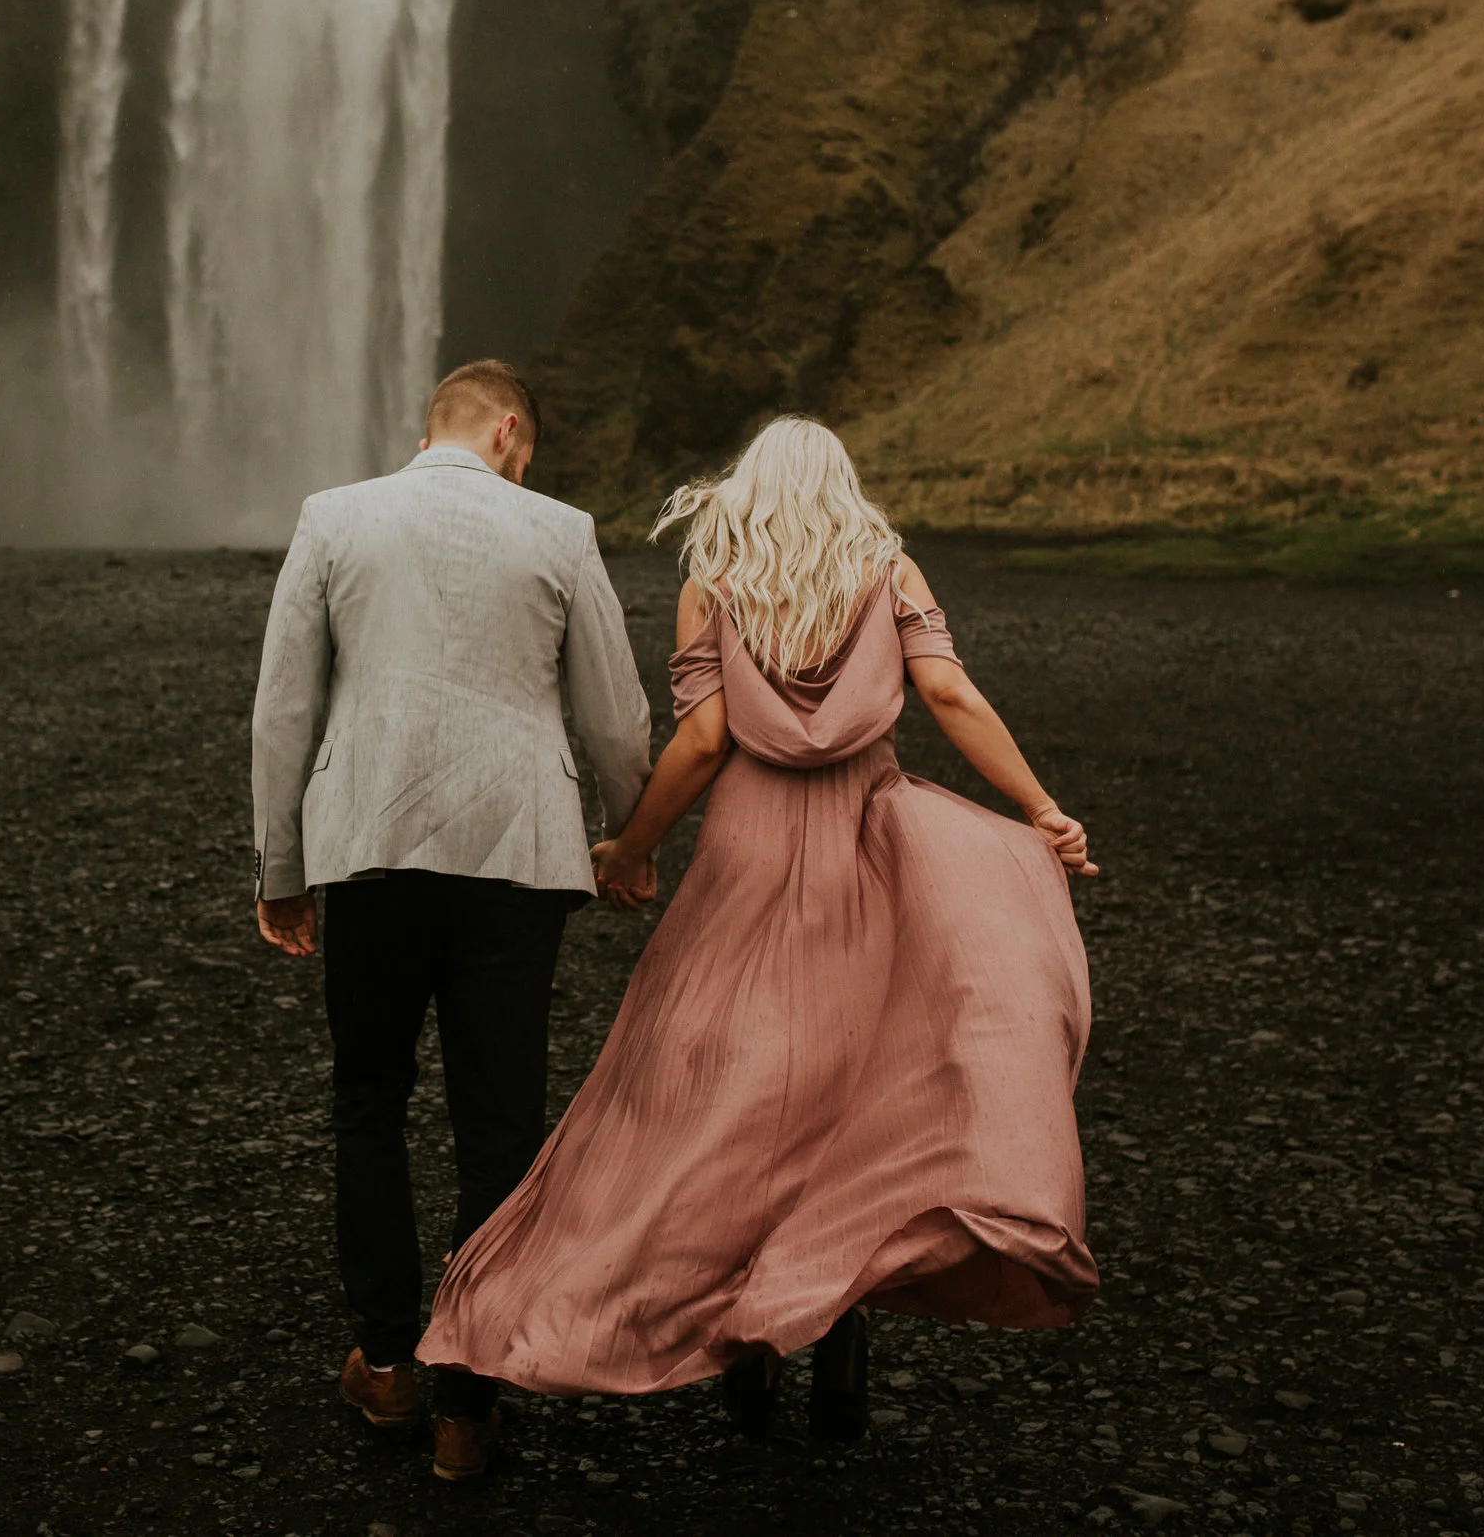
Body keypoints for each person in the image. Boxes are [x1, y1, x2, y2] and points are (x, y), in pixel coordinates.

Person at [419, 415, 1100, 1443]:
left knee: (724, 1095)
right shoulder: (885, 566)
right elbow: (948, 691)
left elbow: (702, 738)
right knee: (855, 1086)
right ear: (841, 489)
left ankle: (735, 1329)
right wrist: (1041, 807)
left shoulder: (717, 578)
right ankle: (832, 1325)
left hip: (748, 851)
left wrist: (634, 844)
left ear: (746, 489)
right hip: (869, 846)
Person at [250, 359, 653, 1481]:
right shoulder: (561, 531)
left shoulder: (333, 519)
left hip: (367, 856)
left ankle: (384, 1363)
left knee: (367, 1104)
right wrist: (633, 835)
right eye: (529, 448)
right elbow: (614, 717)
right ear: (510, 430)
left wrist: (281, 867)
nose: (530, 466)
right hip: (517, 863)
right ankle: (467, 1408)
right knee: (499, 1130)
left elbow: (283, 703)